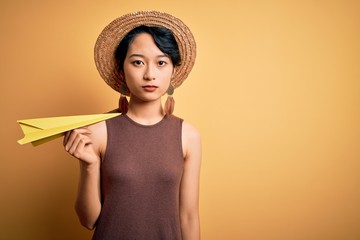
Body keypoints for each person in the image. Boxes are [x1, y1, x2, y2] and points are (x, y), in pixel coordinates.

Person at [63, 10, 201, 240]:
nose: (150, 74)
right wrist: (89, 166)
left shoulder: (188, 136)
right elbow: (88, 221)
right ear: (121, 69)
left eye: (161, 62)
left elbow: (189, 217)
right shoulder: (97, 132)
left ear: (173, 70)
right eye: (138, 62)